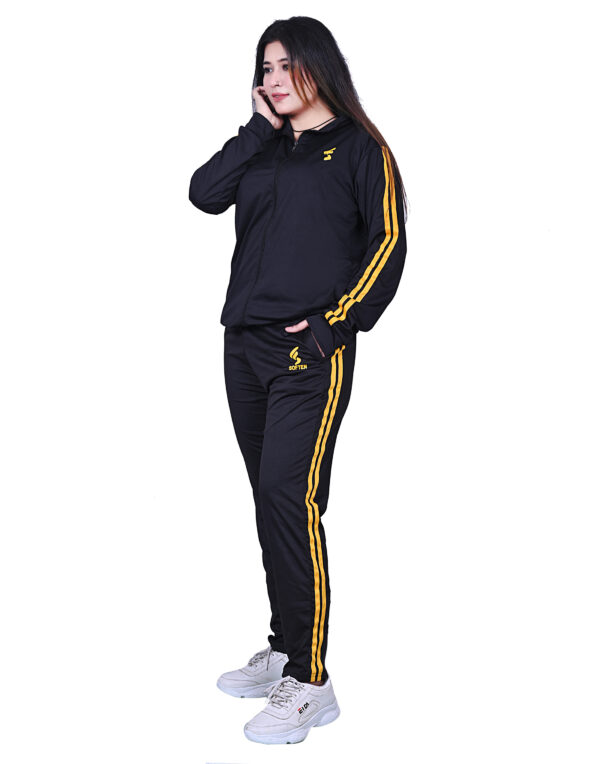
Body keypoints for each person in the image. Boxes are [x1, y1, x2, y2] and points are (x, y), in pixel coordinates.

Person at [188, 16, 408, 745]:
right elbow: (203, 192)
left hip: (308, 354)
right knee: (269, 500)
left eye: (286, 65)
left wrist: (332, 326)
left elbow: (388, 244)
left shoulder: (362, 149)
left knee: (291, 497)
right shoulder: (267, 147)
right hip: (243, 348)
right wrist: (259, 128)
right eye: (266, 67)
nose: (274, 78)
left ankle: (311, 683)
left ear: (319, 65)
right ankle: (286, 648)